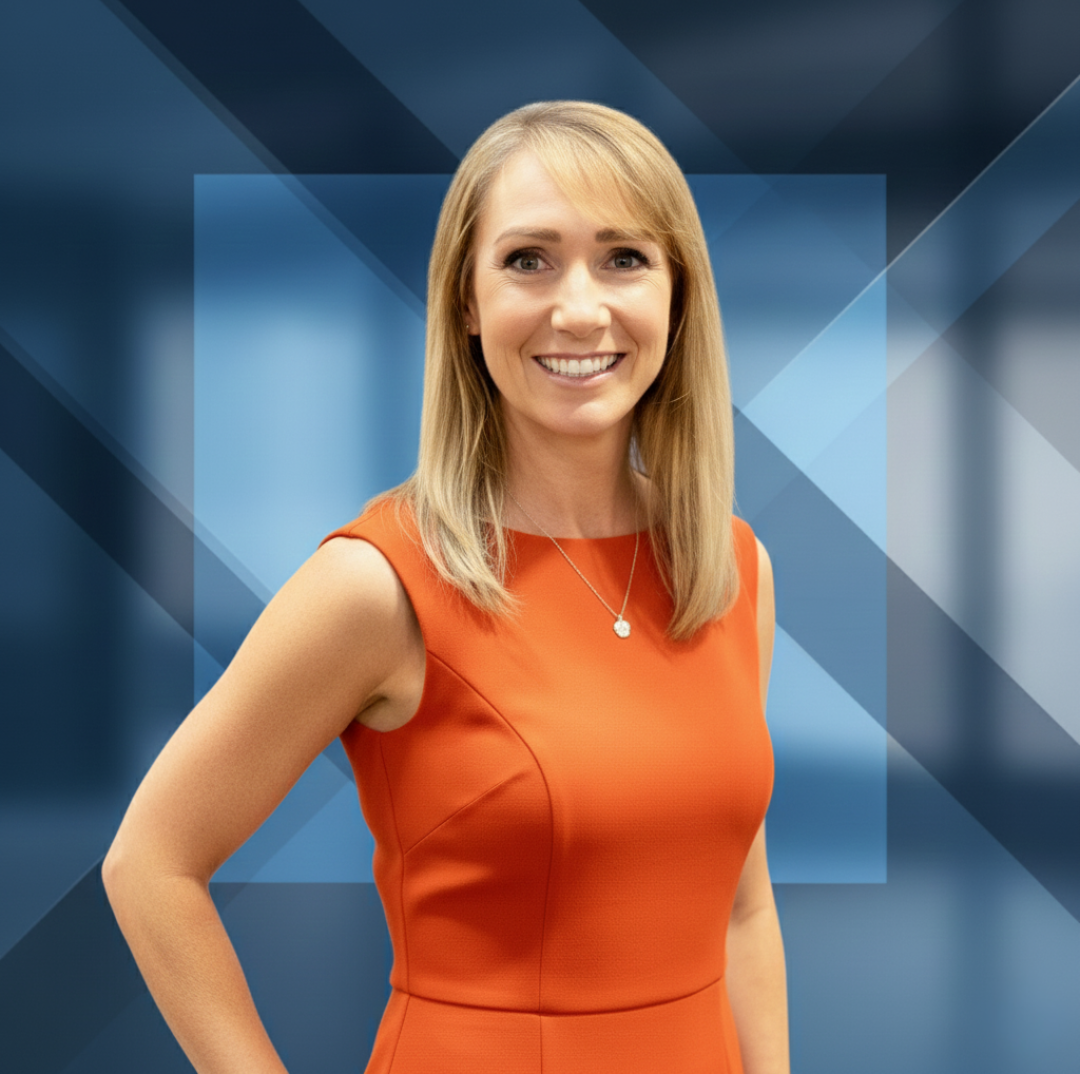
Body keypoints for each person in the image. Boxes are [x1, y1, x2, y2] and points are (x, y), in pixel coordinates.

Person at [103, 100, 788, 1074]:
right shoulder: (377, 585)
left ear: (678, 297)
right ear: (466, 301)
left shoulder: (732, 571)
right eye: (529, 260)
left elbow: (743, 908)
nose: (580, 309)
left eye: (625, 258)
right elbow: (152, 864)